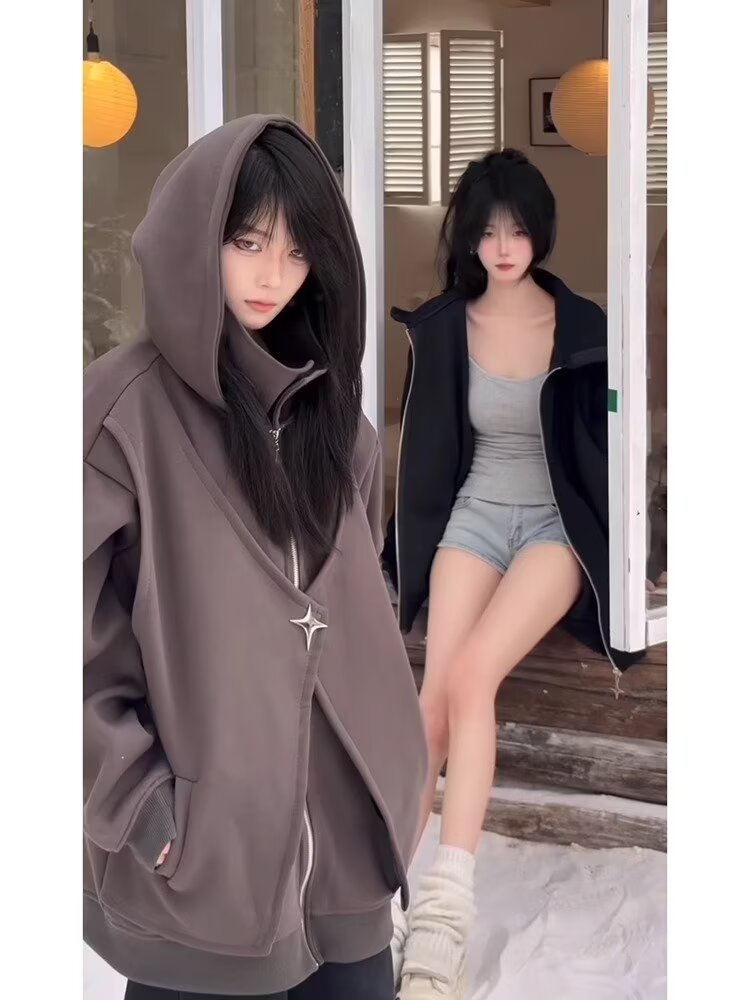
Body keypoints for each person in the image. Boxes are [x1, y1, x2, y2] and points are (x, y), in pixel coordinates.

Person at [83, 114, 427, 1000]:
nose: (274, 275)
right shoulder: (120, 415)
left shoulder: (335, 423)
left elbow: (357, 609)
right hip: (205, 875)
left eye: (298, 249)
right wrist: (139, 802)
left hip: (346, 863)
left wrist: (397, 770)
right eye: (248, 242)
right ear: (196, 236)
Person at [382, 149, 646, 999]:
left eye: (518, 229)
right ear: (468, 235)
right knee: (430, 701)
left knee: (471, 677)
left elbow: (610, 449)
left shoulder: (585, 325)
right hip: (477, 515)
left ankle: (444, 919)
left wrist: (635, 553)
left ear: (540, 234)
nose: (503, 246)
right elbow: (428, 454)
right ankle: (385, 898)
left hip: (552, 529)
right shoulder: (442, 326)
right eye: (488, 230)